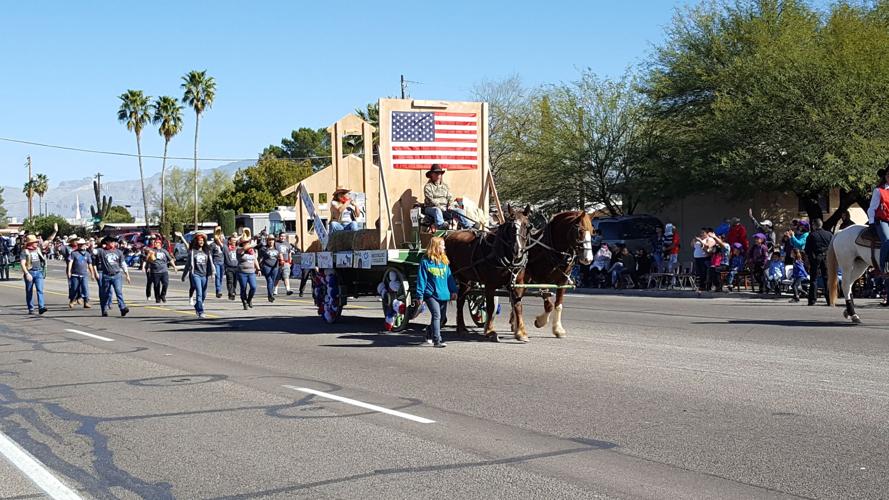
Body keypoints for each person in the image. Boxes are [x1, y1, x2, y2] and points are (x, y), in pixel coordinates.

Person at [413, 236, 457, 348]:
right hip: (431, 294)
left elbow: (449, 278)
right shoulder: (425, 262)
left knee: (441, 318)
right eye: (442, 245)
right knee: (436, 315)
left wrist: (453, 290)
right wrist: (420, 295)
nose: (444, 247)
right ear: (436, 247)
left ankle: (429, 330)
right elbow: (421, 279)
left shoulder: (445, 261)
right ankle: (437, 340)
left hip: (444, 294)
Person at [423, 164, 472, 230]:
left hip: (445, 208)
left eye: (439, 173)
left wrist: (450, 205)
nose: (438, 175)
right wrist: (440, 207)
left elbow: (450, 197)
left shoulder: (445, 186)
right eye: (436, 173)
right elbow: (431, 200)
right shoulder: (428, 186)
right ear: (431, 174)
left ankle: (469, 226)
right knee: (437, 210)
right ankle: (441, 225)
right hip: (431, 208)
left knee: (459, 211)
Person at [96, 236, 131, 317]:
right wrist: (99, 244)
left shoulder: (118, 252)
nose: (113, 243)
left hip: (117, 275)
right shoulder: (102, 251)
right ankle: (104, 309)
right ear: (106, 243)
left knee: (119, 292)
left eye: (113, 242)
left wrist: (127, 275)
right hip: (106, 275)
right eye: (111, 242)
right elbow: (93, 251)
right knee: (105, 293)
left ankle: (122, 308)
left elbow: (123, 264)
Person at [182, 233, 214, 319]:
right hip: (196, 274)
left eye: (202, 241)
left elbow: (210, 263)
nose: (201, 242)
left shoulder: (207, 251)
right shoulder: (193, 252)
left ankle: (197, 306)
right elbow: (188, 264)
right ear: (196, 241)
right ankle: (200, 311)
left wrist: (212, 274)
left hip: (204, 275)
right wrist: (184, 275)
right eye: (200, 240)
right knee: (199, 293)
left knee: (204, 294)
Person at [804, 218, 833, 306]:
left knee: (814, 279)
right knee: (827, 278)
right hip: (827, 257)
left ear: (814, 225)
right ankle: (830, 299)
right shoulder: (829, 234)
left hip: (816, 257)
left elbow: (807, 249)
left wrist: (809, 258)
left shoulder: (812, 235)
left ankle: (812, 300)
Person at [867, 167, 889, 273]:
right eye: (888, 174)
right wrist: (871, 223)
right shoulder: (878, 190)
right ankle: (883, 266)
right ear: (885, 176)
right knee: (887, 240)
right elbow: (872, 208)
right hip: (883, 220)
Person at [20, 235, 47, 315]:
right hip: (30, 272)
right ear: (30, 243)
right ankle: (31, 308)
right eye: (35, 242)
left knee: (40, 290)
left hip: (39, 272)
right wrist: (27, 273)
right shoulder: (25, 251)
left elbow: (48, 241)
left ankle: (41, 307)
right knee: (29, 291)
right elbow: (22, 264)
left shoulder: (38, 249)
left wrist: (55, 232)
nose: (37, 243)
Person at [67, 238, 96, 309]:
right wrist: (69, 271)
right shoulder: (74, 253)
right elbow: (70, 262)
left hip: (84, 274)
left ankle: (86, 302)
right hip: (75, 274)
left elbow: (90, 264)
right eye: (80, 245)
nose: (81, 246)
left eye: (83, 245)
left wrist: (92, 274)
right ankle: (72, 300)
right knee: (74, 288)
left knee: (85, 288)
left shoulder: (87, 254)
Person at [146, 237, 174, 303]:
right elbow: (147, 260)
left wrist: (174, 267)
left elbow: (170, 259)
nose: (155, 243)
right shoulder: (152, 250)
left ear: (160, 244)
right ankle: (157, 298)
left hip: (164, 271)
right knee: (156, 285)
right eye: (154, 242)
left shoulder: (164, 251)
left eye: (156, 242)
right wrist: (149, 254)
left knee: (165, 284)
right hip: (155, 271)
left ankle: (163, 295)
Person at [237, 235, 260, 309]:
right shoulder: (239, 249)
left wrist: (258, 269)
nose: (247, 243)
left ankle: (249, 299)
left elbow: (255, 259)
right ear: (242, 243)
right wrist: (252, 245)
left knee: (253, 287)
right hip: (242, 272)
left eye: (248, 242)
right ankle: (244, 302)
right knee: (243, 288)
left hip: (251, 272)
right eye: (245, 242)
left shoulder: (252, 251)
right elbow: (243, 249)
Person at [259, 235, 281, 302]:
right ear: (267, 241)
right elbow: (260, 257)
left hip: (275, 266)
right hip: (267, 266)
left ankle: (270, 295)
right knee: (269, 280)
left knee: (273, 280)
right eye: (269, 240)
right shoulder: (264, 248)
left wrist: (281, 260)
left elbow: (280, 255)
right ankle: (270, 295)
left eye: (272, 240)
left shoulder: (277, 248)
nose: (271, 241)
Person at [692, 228, 714, 293]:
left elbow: (708, 246)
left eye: (703, 233)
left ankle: (704, 286)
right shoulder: (700, 239)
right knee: (699, 272)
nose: (701, 234)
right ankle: (700, 285)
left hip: (704, 258)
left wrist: (700, 241)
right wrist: (694, 240)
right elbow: (692, 245)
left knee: (703, 272)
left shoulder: (708, 239)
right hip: (697, 258)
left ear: (707, 233)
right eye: (701, 232)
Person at [222, 234, 240, 301]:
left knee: (235, 282)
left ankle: (233, 291)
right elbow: (222, 243)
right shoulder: (226, 248)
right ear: (229, 241)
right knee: (230, 281)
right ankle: (231, 292)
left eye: (235, 241)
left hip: (236, 267)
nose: (234, 242)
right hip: (229, 267)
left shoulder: (237, 248)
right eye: (233, 241)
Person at [210, 228, 226, 298]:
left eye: (222, 236)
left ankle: (219, 289)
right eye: (220, 236)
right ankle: (218, 290)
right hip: (216, 262)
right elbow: (210, 255)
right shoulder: (213, 245)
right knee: (218, 276)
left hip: (223, 262)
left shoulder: (224, 244)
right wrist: (212, 264)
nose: (222, 238)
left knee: (221, 277)